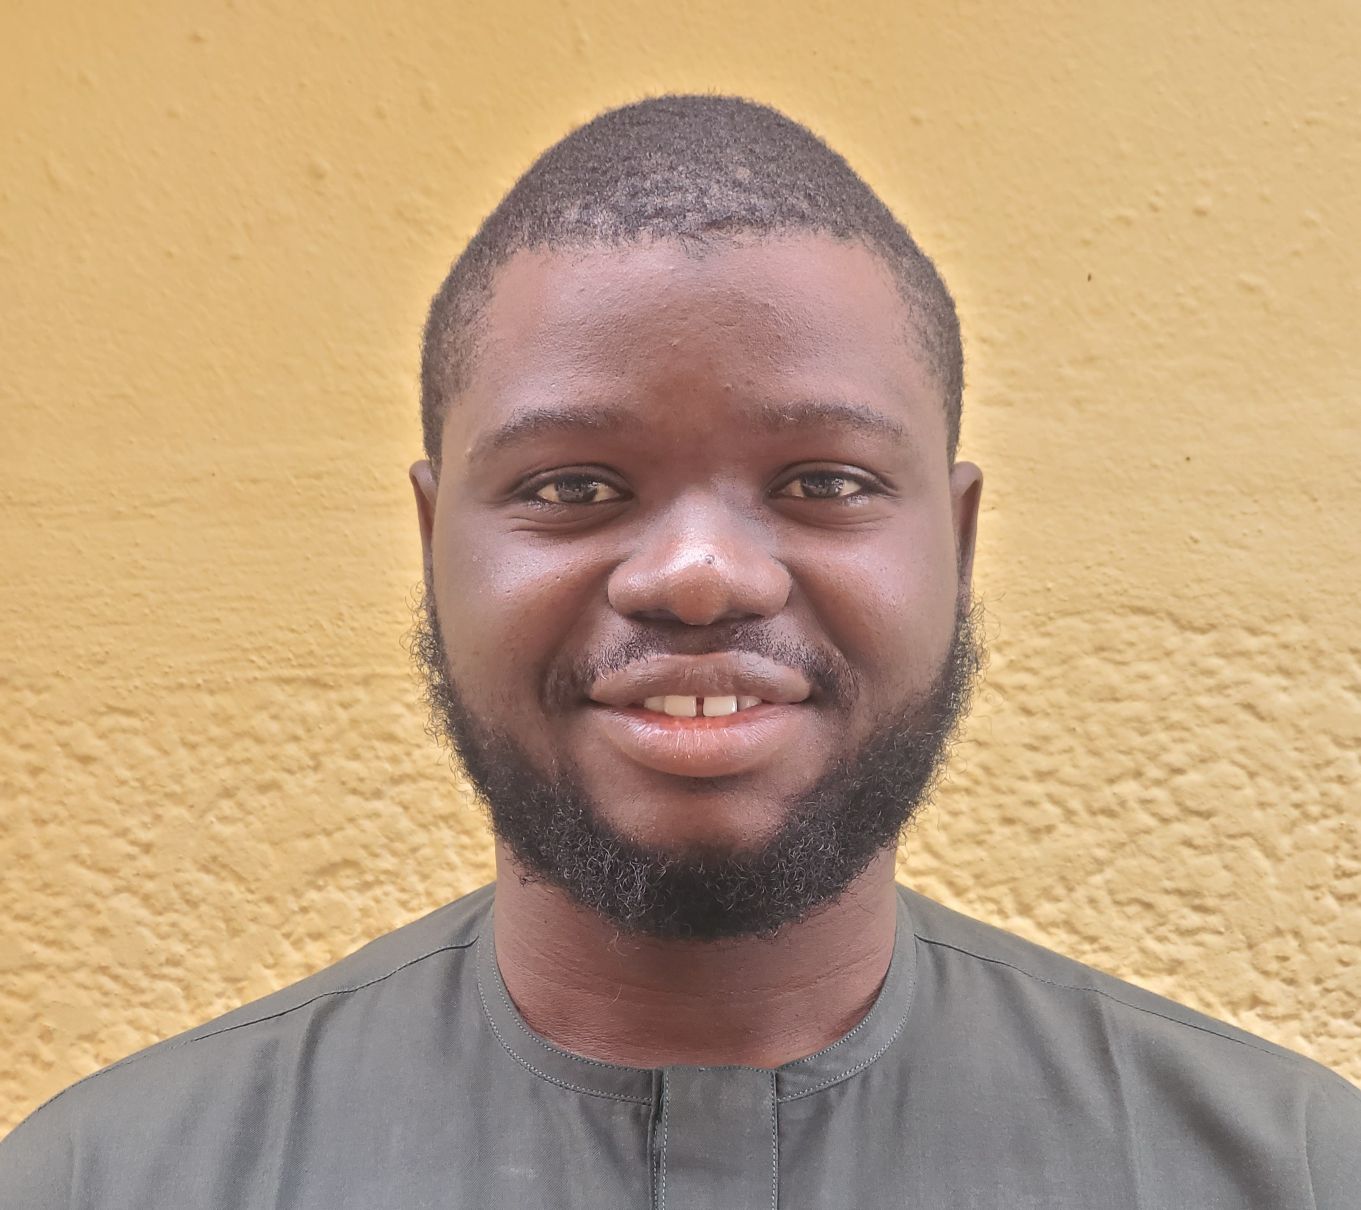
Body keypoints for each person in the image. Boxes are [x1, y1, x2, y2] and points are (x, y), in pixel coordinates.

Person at [2, 93, 1356, 1210]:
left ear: (955, 540)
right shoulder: (108, 1179)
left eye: (822, 482)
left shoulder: (1285, 1169)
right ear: (431, 542)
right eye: (572, 485)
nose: (700, 575)